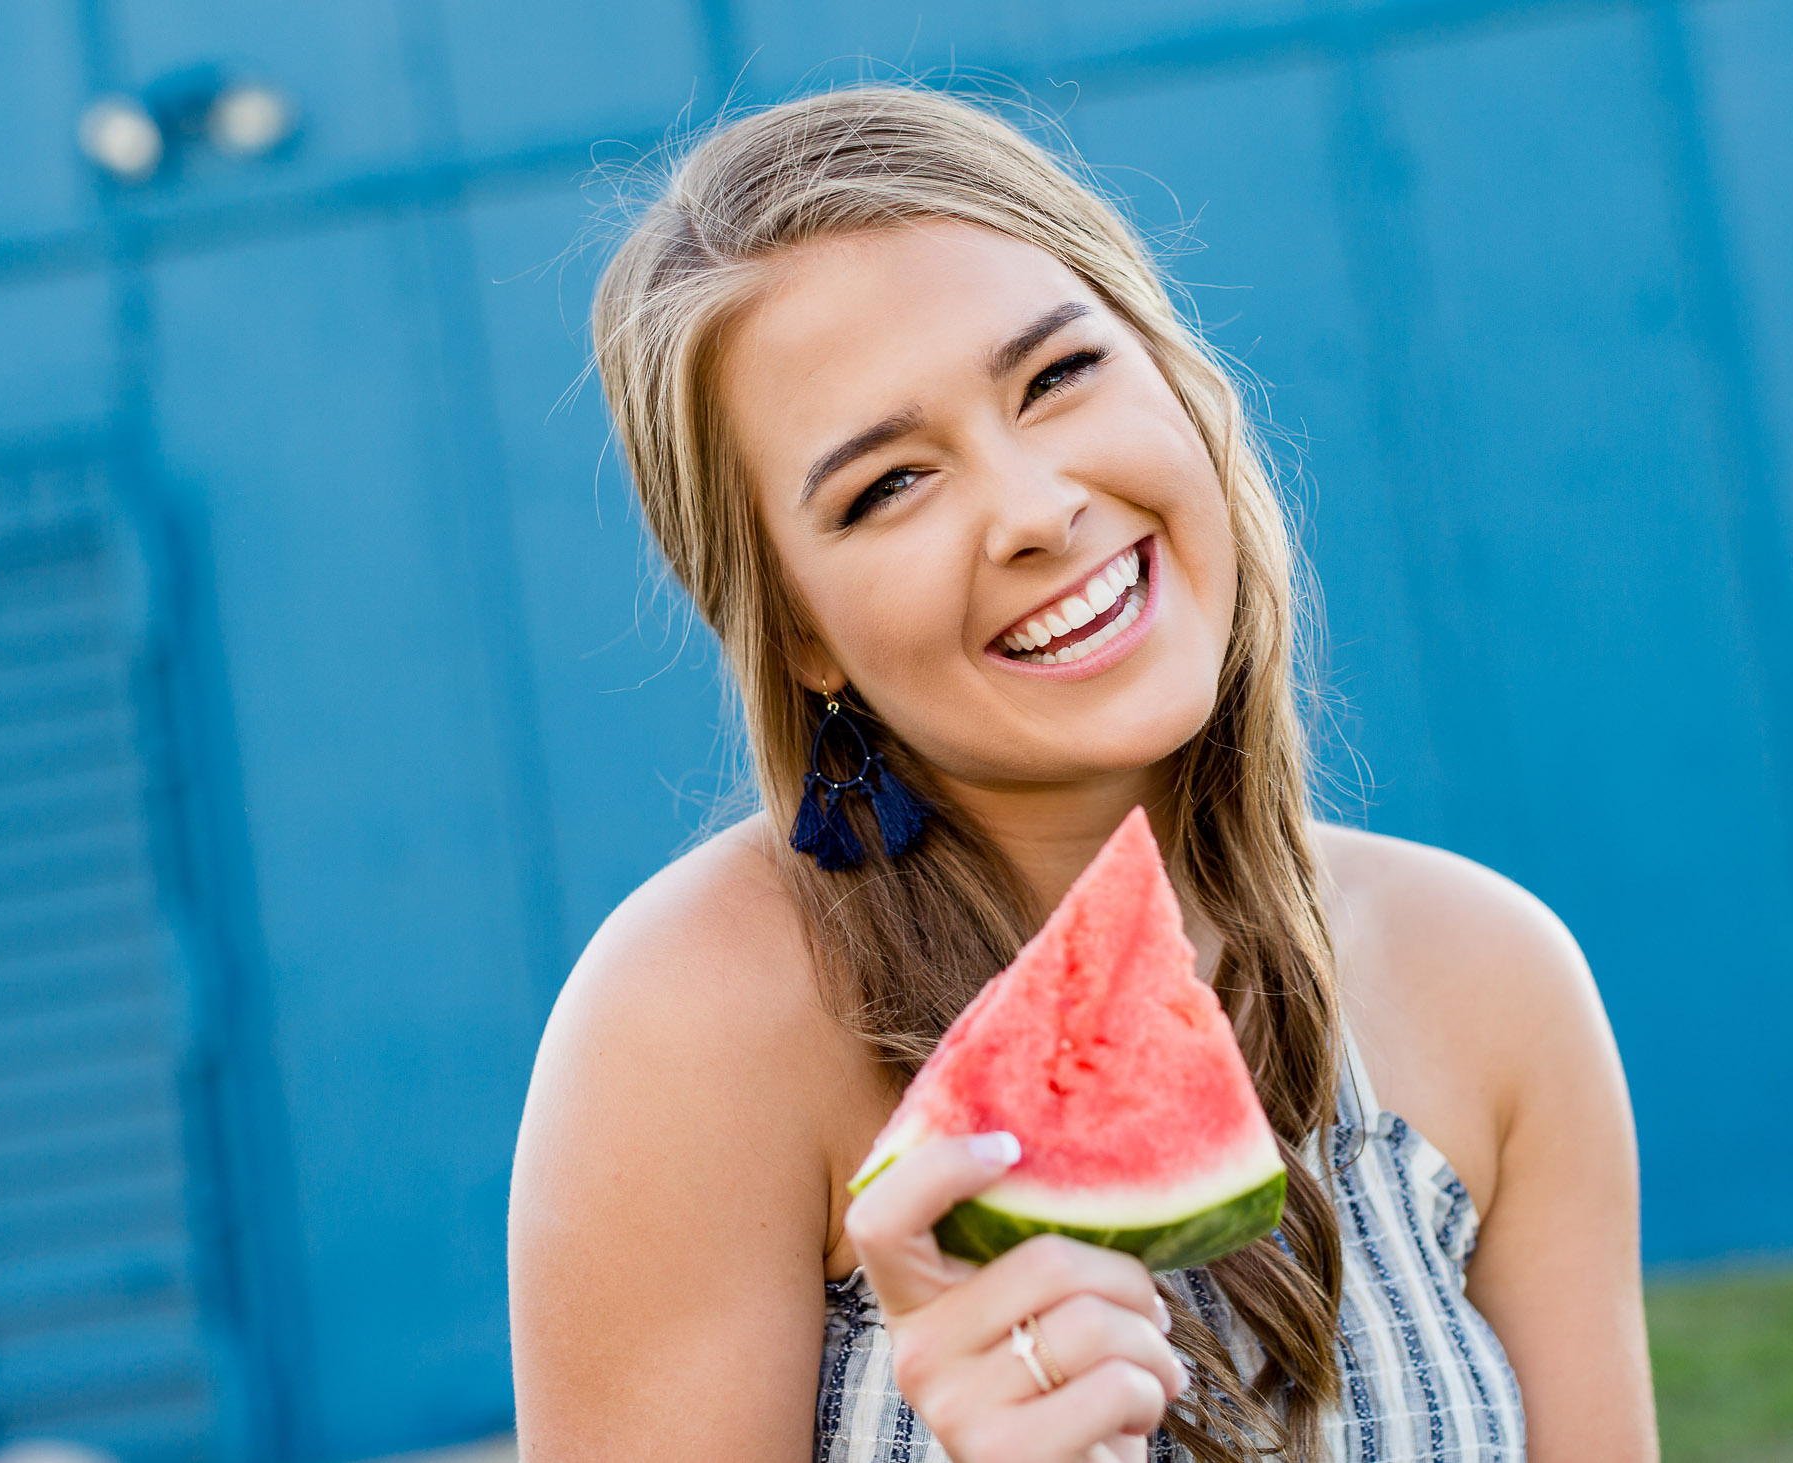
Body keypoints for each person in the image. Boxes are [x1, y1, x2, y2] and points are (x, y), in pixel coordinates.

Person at [508, 83, 1655, 1462]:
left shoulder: (1491, 980)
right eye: (887, 486)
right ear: (799, 628)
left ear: (1177, 382)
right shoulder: (693, 1027)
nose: (1035, 508)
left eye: (1056, 377)